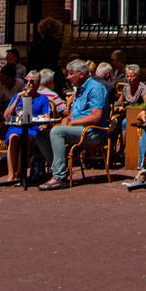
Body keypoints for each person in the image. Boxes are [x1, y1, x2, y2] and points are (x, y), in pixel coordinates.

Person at [38, 58, 110, 191]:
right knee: (41, 134)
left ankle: (59, 177)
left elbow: (96, 116)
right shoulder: (79, 89)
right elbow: (74, 114)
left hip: (92, 132)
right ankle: (60, 169)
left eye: (71, 74)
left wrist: (72, 122)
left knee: (57, 132)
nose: (68, 77)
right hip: (77, 129)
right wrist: (66, 120)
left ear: (81, 74)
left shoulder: (95, 88)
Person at [0, 71, 53, 186]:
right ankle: (11, 175)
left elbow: (47, 116)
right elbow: (6, 115)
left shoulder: (42, 99)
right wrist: (17, 99)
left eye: (31, 82)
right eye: (26, 81)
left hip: (32, 129)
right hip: (17, 127)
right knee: (13, 138)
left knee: (25, 140)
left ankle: (20, 174)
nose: (28, 84)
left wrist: (44, 123)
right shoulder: (18, 96)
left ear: (37, 84)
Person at [29, 12, 64, 89]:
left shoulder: (35, 45)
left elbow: (30, 64)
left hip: (37, 76)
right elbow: (53, 61)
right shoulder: (56, 44)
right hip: (51, 76)